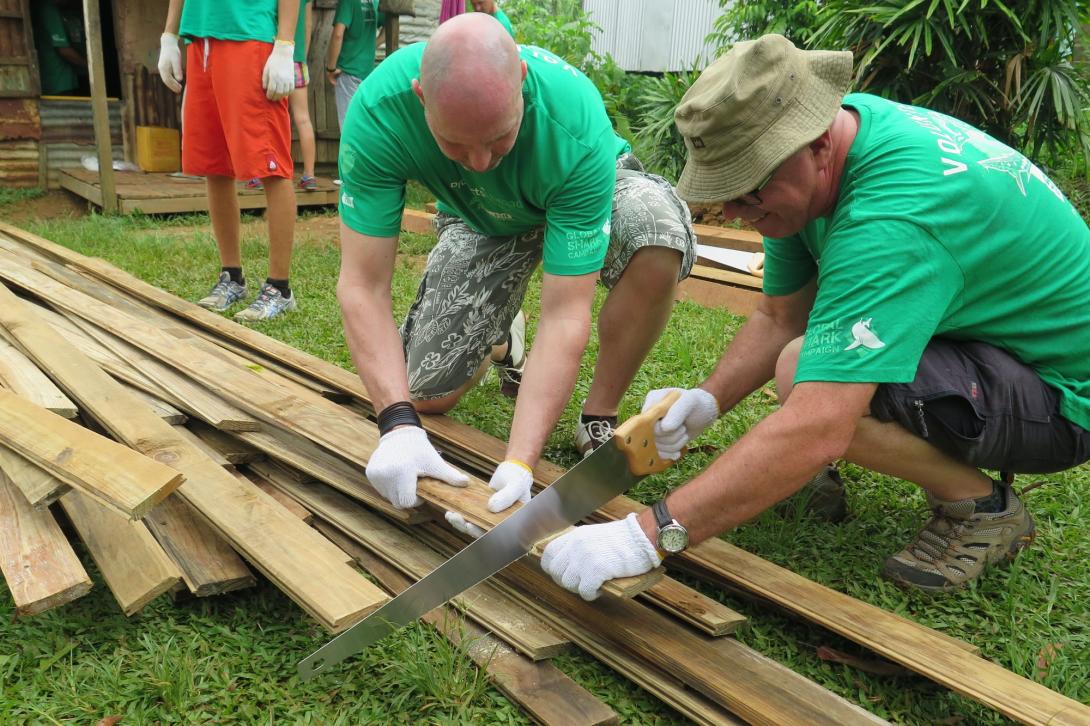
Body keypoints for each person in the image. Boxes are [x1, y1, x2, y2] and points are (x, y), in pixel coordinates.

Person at [540, 33, 1090, 601]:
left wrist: (647, 537)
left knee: (804, 375)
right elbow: (781, 314)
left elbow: (820, 427)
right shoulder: (819, 157)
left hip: (1063, 397)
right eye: (723, 193)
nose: (733, 212)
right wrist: (707, 401)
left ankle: (981, 505)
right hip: (992, 349)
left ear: (819, 146)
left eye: (747, 192)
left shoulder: (892, 216)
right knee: (799, 357)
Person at [337, 14, 695, 519]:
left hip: (580, 197)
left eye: (499, 138)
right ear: (421, 98)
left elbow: (566, 313)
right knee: (425, 394)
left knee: (656, 233)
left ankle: (598, 415)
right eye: (456, 146)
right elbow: (361, 285)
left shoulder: (574, 122)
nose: (482, 160)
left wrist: (520, 462)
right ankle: (502, 338)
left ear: (521, 84)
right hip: (479, 216)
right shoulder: (379, 113)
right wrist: (396, 423)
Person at [158, 0, 301, 322]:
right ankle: (232, 277)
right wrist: (169, 35)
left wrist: (285, 44)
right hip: (200, 40)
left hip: (250, 37)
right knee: (214, 166)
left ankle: (280, 288)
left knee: (271, 165)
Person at [249, 0, 318, 192]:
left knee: (262, 117)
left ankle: (258, 174)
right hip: (296, 60)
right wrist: (301, 56)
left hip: (273, 58)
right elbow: (308, 25)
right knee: (303, 119)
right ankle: (309, 175)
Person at [325, 0, 384, 131]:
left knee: (348, 128)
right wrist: (371, 46)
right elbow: (387, 28)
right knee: (365, 125)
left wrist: (331, 67)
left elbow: (338, 34)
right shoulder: (376, 2)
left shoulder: (348, 2)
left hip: (348, 71)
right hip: (368, 73)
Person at [31, 0, 87, 96]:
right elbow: (64, 51)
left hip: (55, 81)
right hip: (58, 82)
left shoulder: (41, 7)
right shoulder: (48, 9)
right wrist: (90, 67)